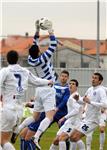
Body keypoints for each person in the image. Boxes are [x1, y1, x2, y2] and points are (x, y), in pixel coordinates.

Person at [14, 19, 58, 150]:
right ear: (38, 51)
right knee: (50, 117)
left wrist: (37, 30)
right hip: (48, 88)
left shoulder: (31, 59)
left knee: (35, 116)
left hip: (39, 90)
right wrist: (50, 31)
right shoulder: (43, 59)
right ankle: (36, 137)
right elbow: (53, 45)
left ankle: (18, 129)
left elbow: (34, 44)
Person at [0, 50, 53, 150]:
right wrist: (48, 81)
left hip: (8, 108)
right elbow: (36, 81)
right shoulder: (25, 71)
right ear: (18, 59)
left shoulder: (5, 71)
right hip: (19, 111)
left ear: (7, 59)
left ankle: (15, 131)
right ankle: (15, 131)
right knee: (4, 140)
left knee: (2, 141)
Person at [18, 70, 70, 150]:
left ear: (68, 78)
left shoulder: (68, 89)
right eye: (62, 76)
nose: (63, 78)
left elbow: (64, 101)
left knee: (63, 136)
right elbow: (43, 100)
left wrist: (57, 108)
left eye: (65, 76)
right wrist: (33, 103)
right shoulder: (52, 86)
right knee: (30, 133)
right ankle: (35, 140)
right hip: (49, 112)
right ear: (59, 77)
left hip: (61, 115)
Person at [69, 72, 107, 150]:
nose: (93, 79)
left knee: (76, 137)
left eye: (95, 78)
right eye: (92, 77)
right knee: (72, 137)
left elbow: (104, 104)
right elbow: (84, 100)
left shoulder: (101, 90)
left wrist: (90, 102)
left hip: (93, 121)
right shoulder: (90, 89)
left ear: (100, 81)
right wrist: (77, 99)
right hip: (86, 119)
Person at [49, 79, 85, 150]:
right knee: (56, 140)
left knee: (62, 138)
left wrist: (64, 117)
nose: (71, 85)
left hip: (74, 123)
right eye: (70, 83)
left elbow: (76, 110)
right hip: (69, 122)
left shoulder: (75, 96)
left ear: (76, 87)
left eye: (73, 84)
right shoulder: (71, 96)